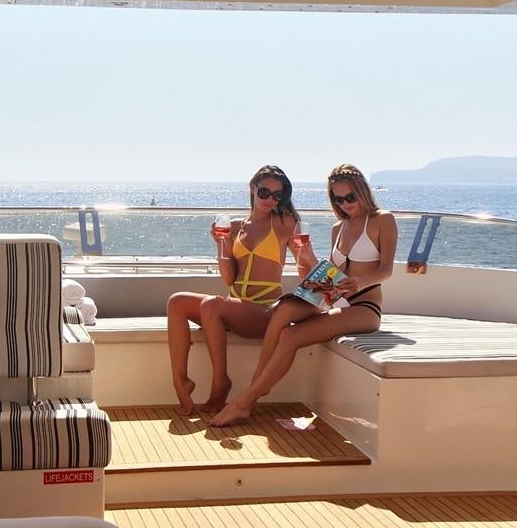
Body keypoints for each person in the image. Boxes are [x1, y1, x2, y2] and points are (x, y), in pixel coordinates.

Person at [211, 164, 396, 426]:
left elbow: (386, 269)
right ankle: (255, 388)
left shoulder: (382, 220)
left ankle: (246, 400)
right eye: (338, 199)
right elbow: (333, 273)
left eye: (350, 197)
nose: (345, 204)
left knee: (291, 335)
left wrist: (361, 281)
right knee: (284, 308)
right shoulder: (337, 228)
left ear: (363, 192)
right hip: (333, 294)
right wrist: (308, 257)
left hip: (364, 305)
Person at [167, 165, 307, 415]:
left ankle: (221, 383)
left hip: (266, 312)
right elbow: (229, 277)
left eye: (277, 195)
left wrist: (316, 295)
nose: (270, 200)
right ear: (252, 188)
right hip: (236, 306)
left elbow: (303, 263)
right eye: (264, 192)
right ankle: (180, 380)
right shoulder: (234, 225)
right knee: (177, 301)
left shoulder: (286, 223)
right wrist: (222, 244)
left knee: (211, 304)